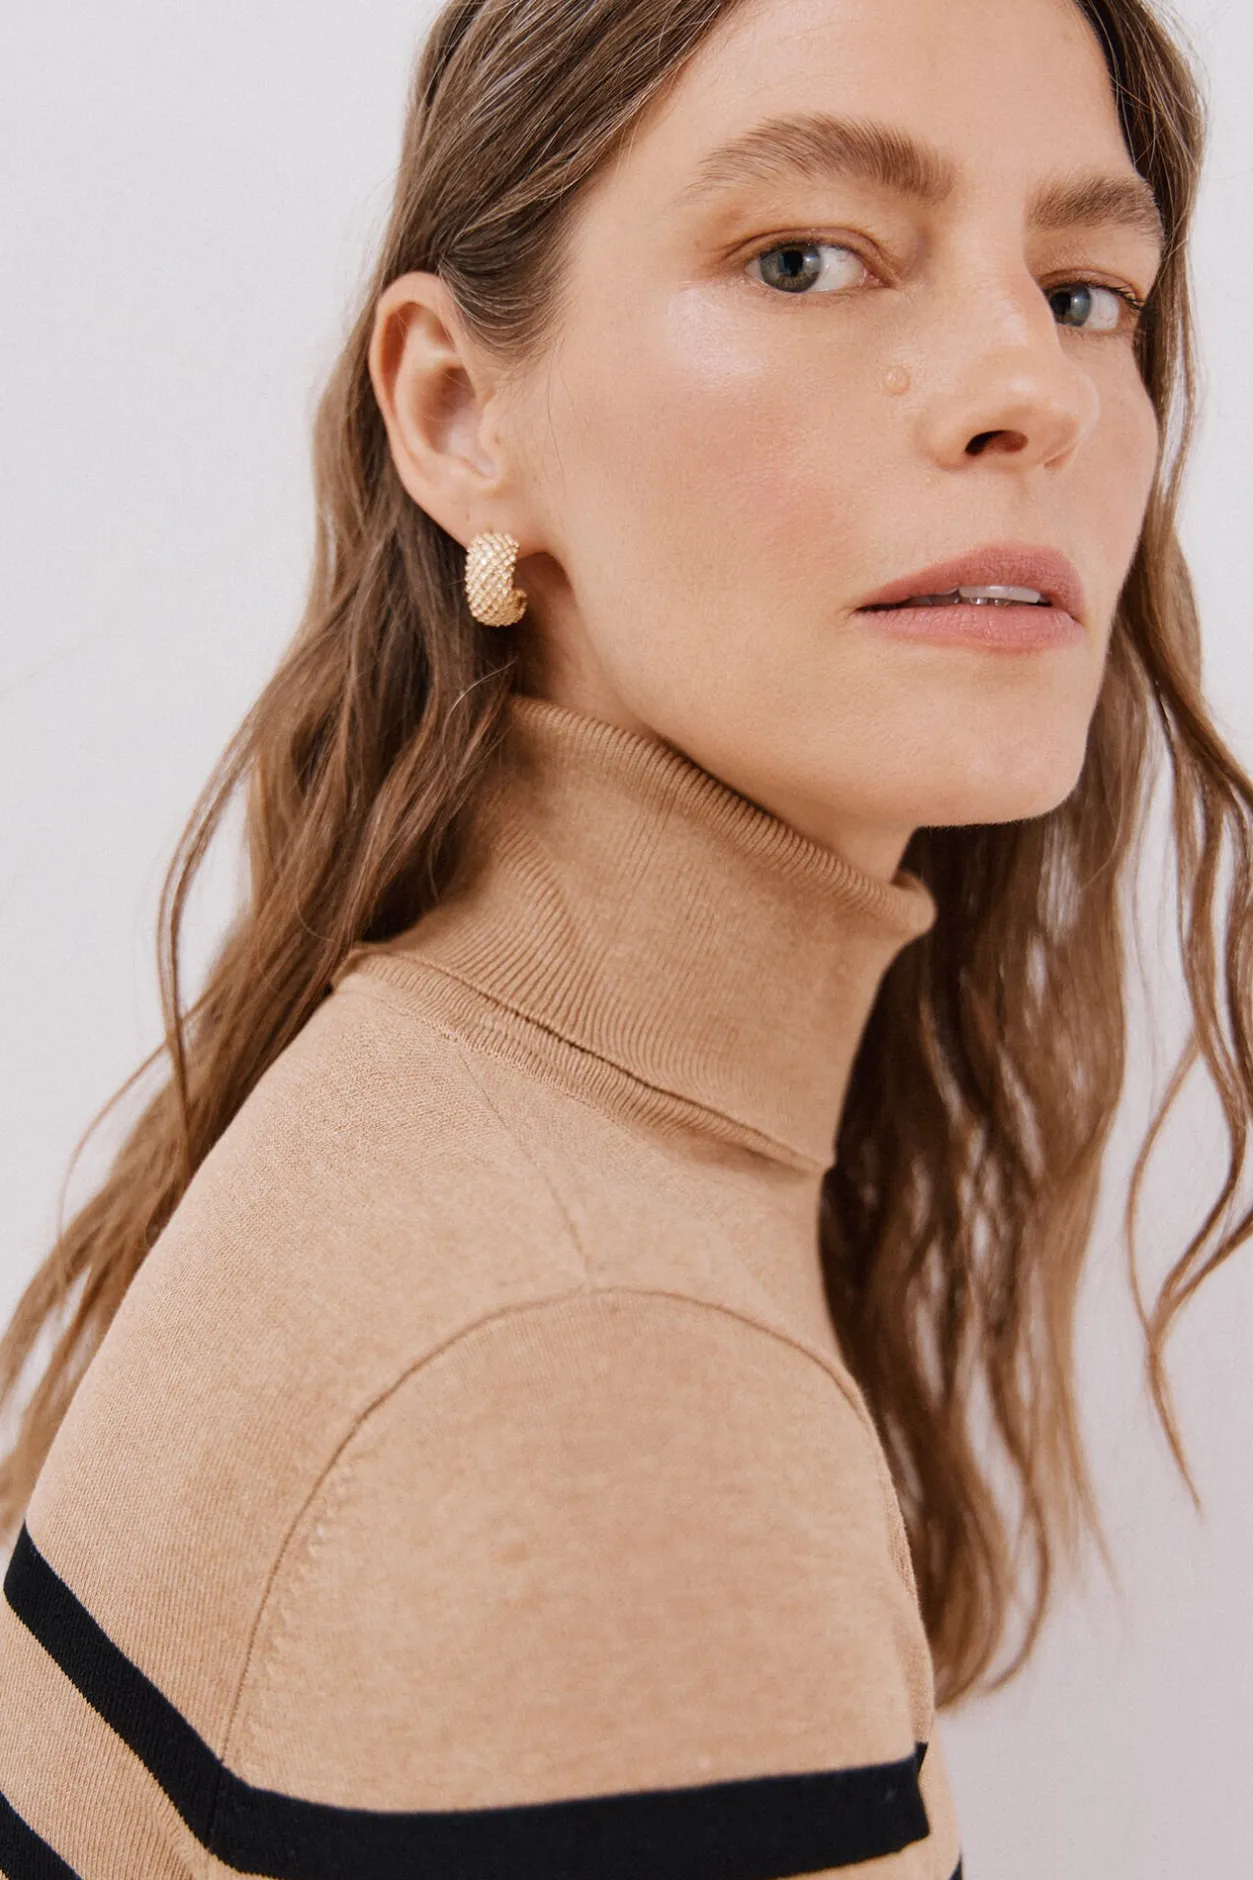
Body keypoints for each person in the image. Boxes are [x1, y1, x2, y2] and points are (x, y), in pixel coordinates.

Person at [0, 0, 1243, 1874]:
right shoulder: (592, 1363)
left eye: (1085, 292)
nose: (1036, 388)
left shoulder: (453, 1112)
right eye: (806, 258)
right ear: (458, 413)